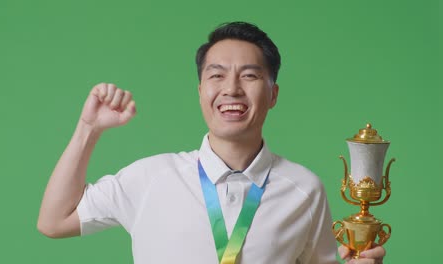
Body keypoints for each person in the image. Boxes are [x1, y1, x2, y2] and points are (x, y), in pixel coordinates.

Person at [38, 22, 386, 264]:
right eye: (216, 75)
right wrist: (88, 129)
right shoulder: (149, 177)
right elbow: (54, 221)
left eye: (250, 75)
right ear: (201, 91)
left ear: (273, 93)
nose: (231, 89)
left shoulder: (304, 189)